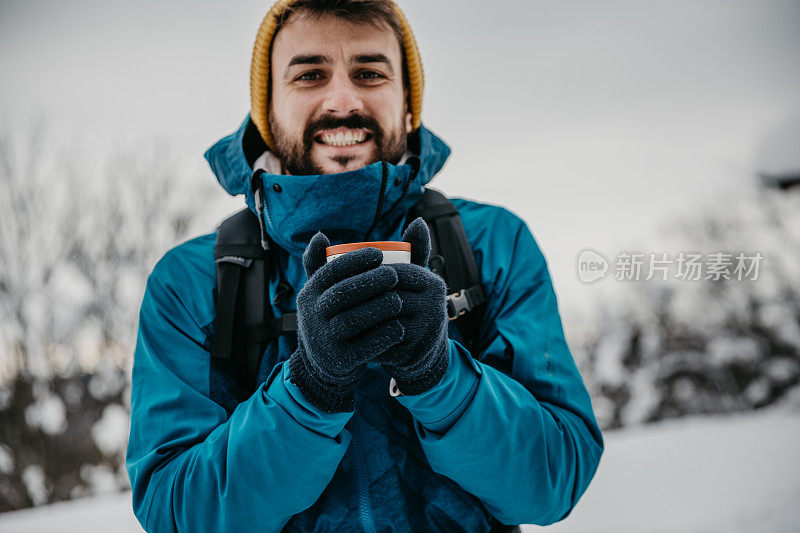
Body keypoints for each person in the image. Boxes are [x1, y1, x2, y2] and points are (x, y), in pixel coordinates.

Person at [125, 1, 603, 531]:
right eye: (309, 74)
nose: (342, 100)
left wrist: (440, 377)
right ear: (267, 109)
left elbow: (555, 479)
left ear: (407, 104)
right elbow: (174, 512)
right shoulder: (193, 282)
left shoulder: (493, 244)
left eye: (369, 73)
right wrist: (307, 391)